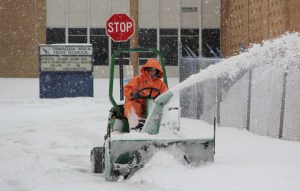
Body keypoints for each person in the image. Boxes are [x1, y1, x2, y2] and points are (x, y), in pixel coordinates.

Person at [124, 59, 168, 130]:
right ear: (147, 69)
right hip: (139, 104)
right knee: (129, 105)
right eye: (150, 69)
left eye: (154, 70)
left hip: (153, 105)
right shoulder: (138, 80)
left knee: (163, 107)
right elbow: (127, 89)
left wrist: (161, 98)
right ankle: (134, 126)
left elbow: (165, 93)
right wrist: (132, 94)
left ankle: (162, 128)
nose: (152, 71)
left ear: (157, 70)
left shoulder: (160, 83)